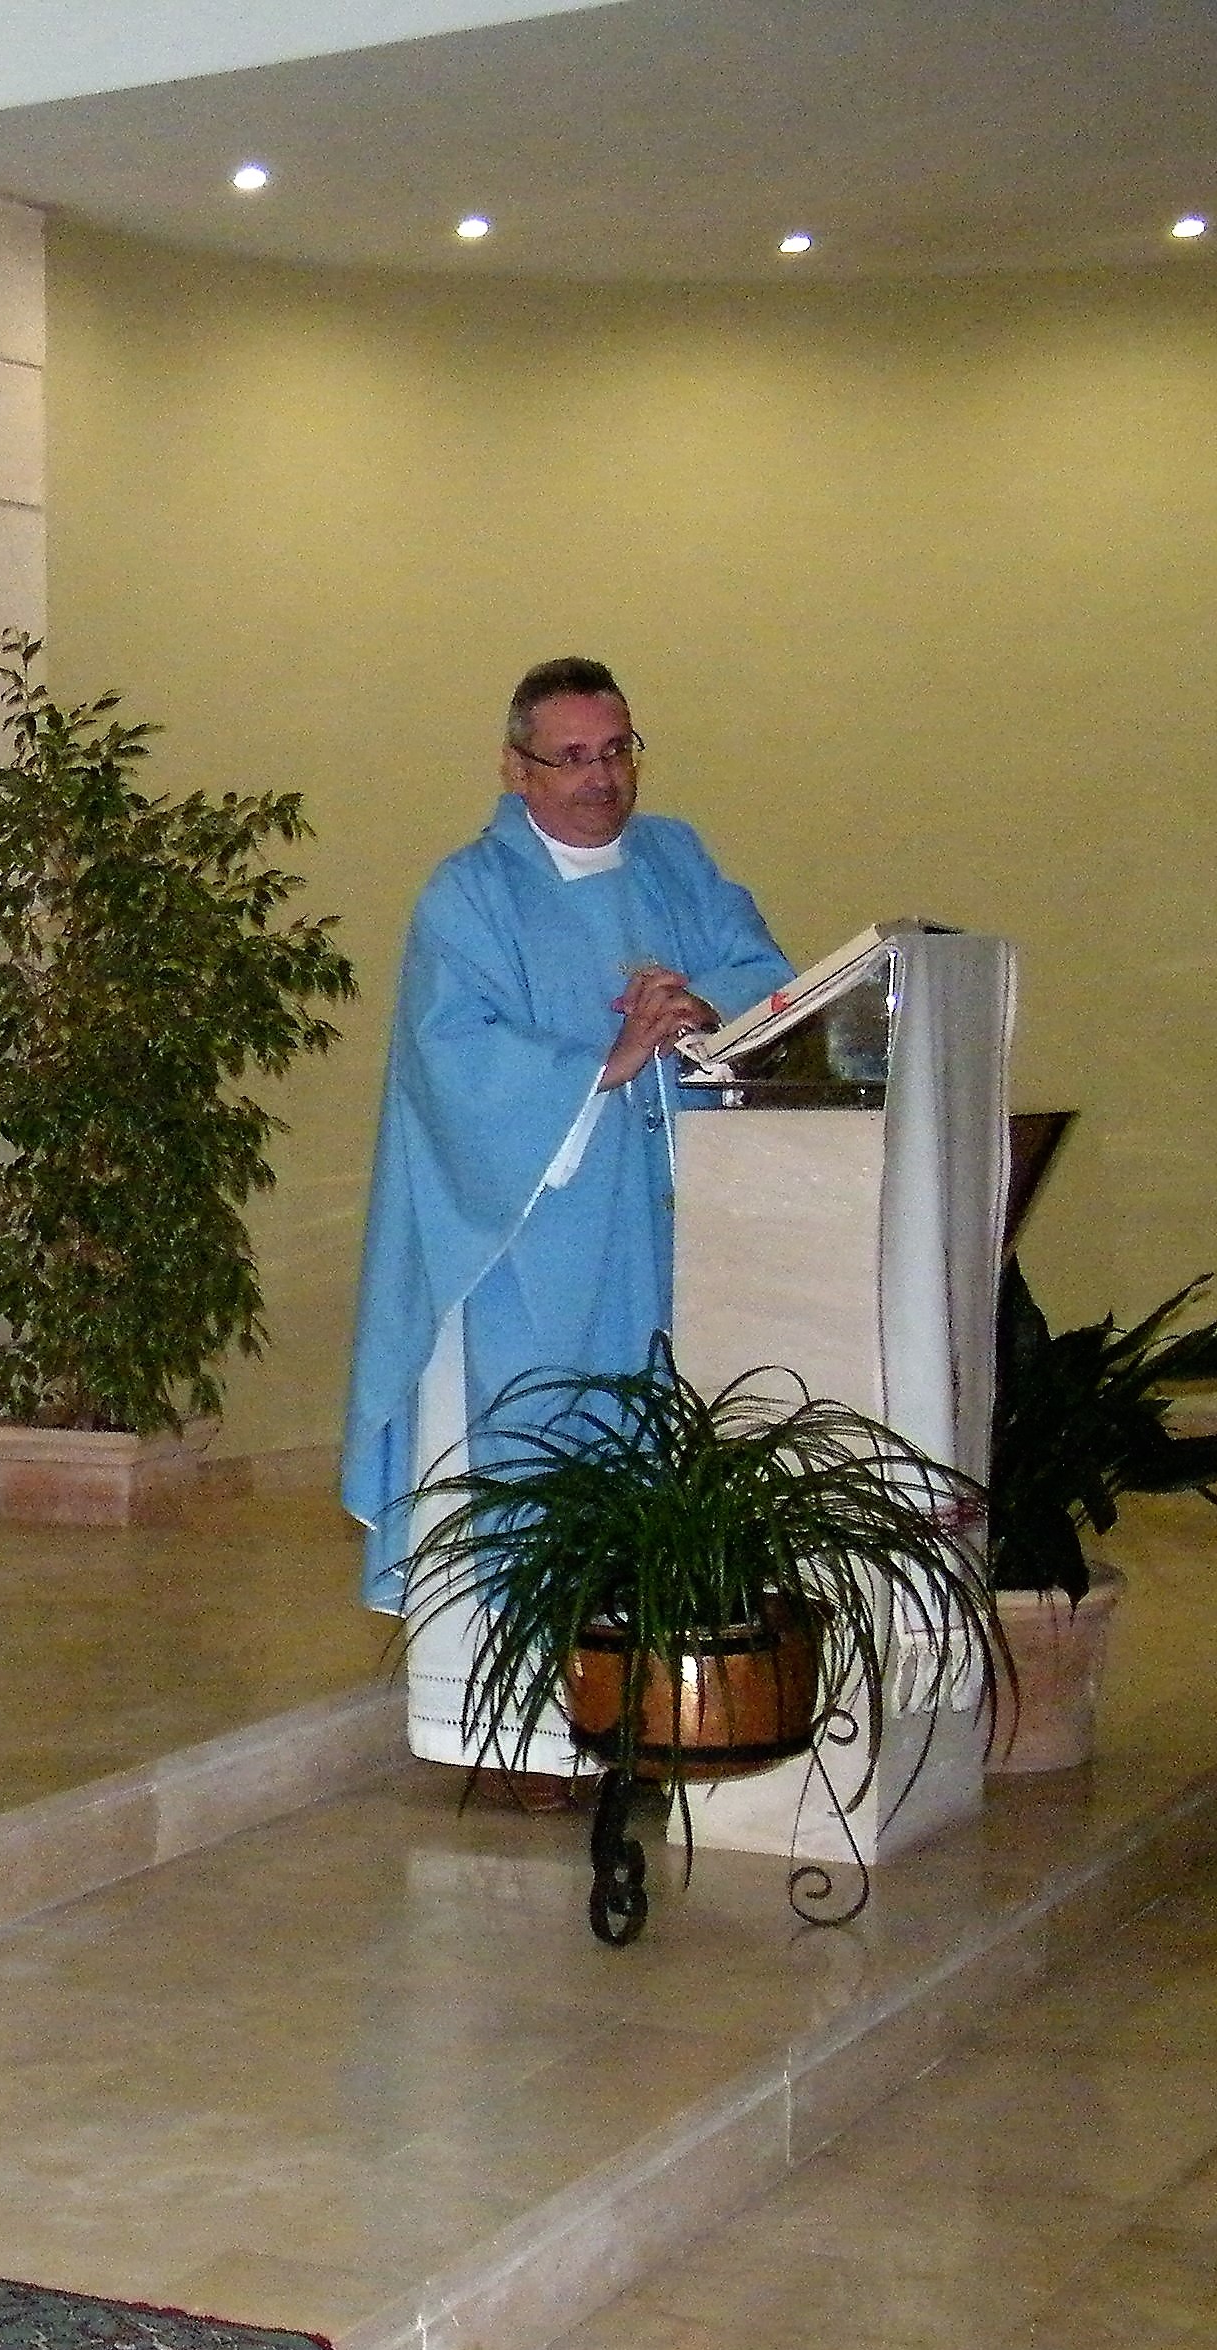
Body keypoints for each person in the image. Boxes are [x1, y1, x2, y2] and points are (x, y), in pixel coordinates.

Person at [342, 659, 796, 1781]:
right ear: (517, 768)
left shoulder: (677, 857)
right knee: (537, 1455)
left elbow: (765, 970)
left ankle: (659, 1712)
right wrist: (606, 1056)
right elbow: (451, 1059)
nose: (603, 778)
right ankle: (520, 1737)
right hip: (526, 1246)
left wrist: (702, 1006)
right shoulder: (469, 894)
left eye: (619, 750)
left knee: (662, 1449)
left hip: (672, 1221)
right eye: (575, 757)